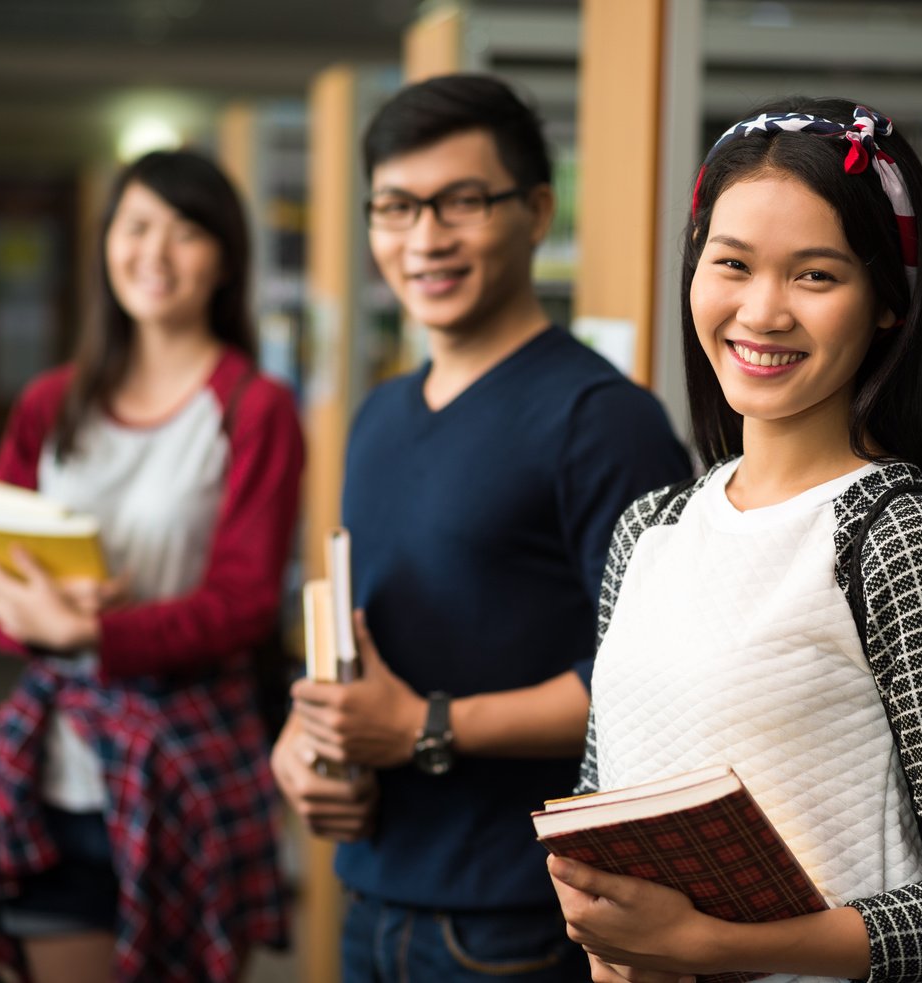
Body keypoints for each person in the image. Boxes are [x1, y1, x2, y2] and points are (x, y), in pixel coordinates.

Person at [546, 99, 922, 983]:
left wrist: (717, 947)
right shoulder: (648, 530)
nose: (761, 312)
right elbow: (597, 801)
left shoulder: (898, 539)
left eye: (815, 276)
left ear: (890, 303)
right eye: (731, 265)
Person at [269, 73, 691, 982]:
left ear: (537, 211)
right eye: (395, 206)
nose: (424, 238)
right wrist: (304, 740)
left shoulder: (604, 421)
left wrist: (428, 726)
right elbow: (372, 628)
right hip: (374, 889)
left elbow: (658, 688)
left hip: (516, 920)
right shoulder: (378, 414)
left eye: (461, 201)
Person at [0, 149, 303, 983]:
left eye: (186, 233)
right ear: (106, 240)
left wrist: (94, 630)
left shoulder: (255, 407)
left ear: (224, 257)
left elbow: (245, 601)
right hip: (56, 769)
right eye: (137, 226)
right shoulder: (52, 400)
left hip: (192, 764)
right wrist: (25, 616)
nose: (155, 252)